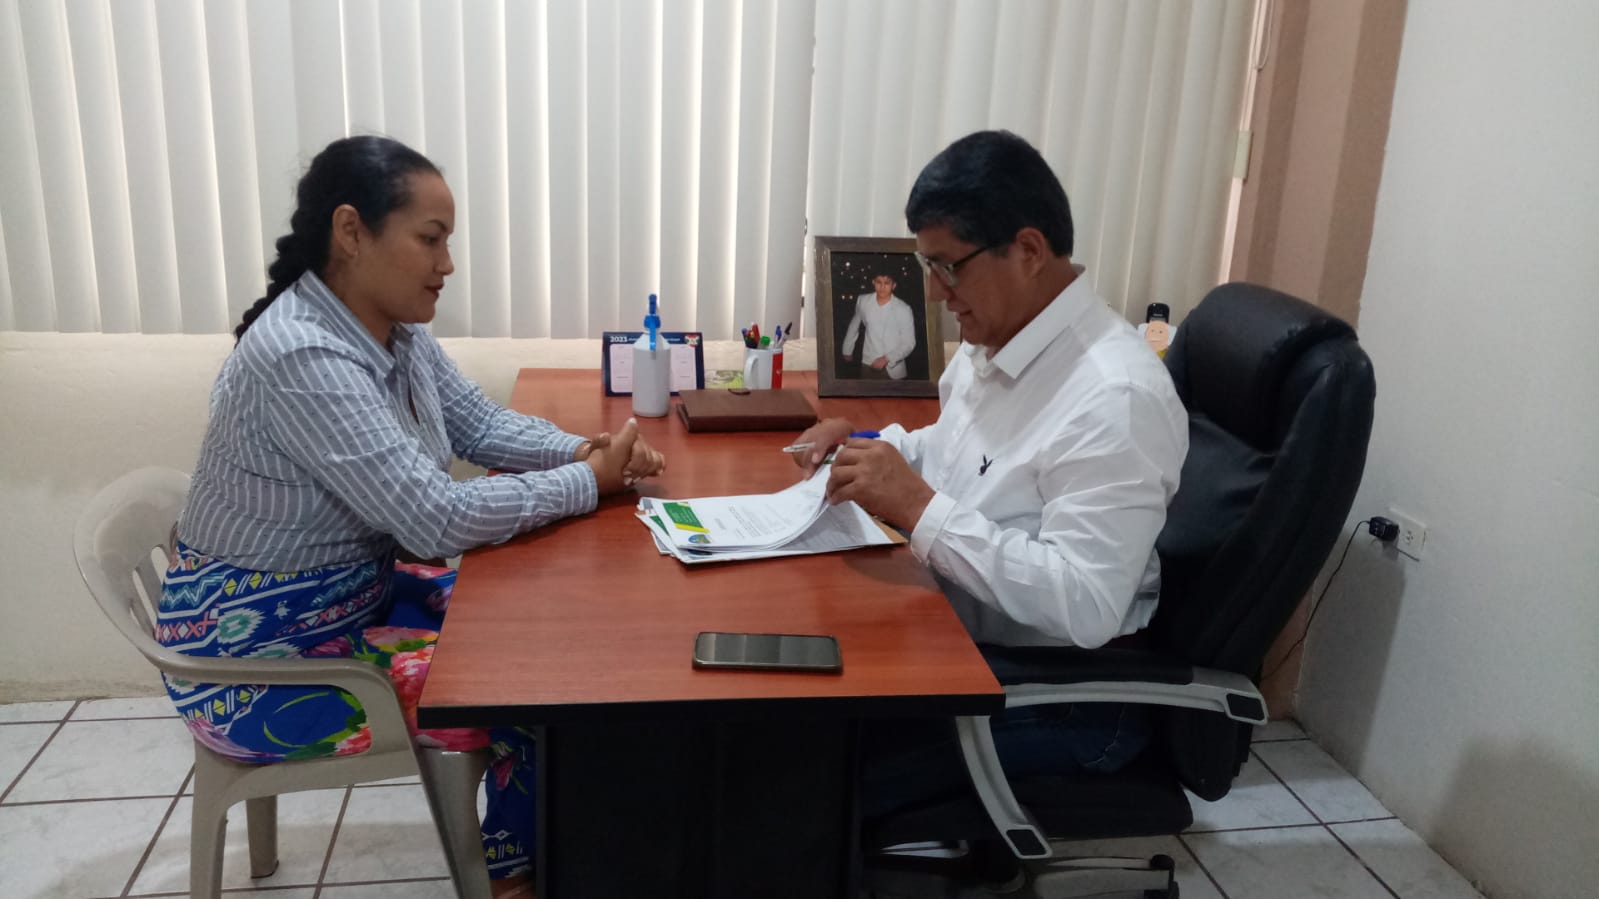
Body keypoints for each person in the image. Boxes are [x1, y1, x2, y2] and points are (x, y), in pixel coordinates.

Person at [156, 135, 664, 893]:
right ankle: (512, 877)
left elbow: (479, 426)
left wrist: (586, 452)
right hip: (260, 658)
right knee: (533, 682)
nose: (446, 263)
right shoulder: (303, 355)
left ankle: (562, 848)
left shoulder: (392, 329)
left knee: (551, 624)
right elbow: (433, 522)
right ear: (351, 231)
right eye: (430, 239)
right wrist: (589, 482)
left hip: (348, 600)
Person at [790, 130, 1189, 820]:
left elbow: (1087, 602)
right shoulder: (1000, 342)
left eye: (948, 267)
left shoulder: (1113, 396)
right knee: (787, 720)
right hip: (966, 643)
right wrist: (865, 449)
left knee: (810, 785)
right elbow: (953, 451)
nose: (935, 292)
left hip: (1064, 694)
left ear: (1027, 251)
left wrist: (918, 508)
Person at [841, 273, 918, 379]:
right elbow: (854, 326)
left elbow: (909, 343)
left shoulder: (903, 309)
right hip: (868, 364)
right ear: (873, 282)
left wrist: (886, 358)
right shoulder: (863, 301)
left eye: (887, 283)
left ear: (893, 285)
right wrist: (847, 349)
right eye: (879, 282)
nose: (882, 287)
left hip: (894, 369)